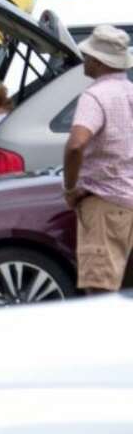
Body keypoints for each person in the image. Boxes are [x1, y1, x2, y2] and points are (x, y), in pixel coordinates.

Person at [63, 25, 133, 294]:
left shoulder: (95, 96)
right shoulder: (130, 91)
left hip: (105, 202)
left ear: (98, 61)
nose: (85, 59)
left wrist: (70, 188)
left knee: (100, 293)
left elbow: (76, 145)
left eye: (88, 55)